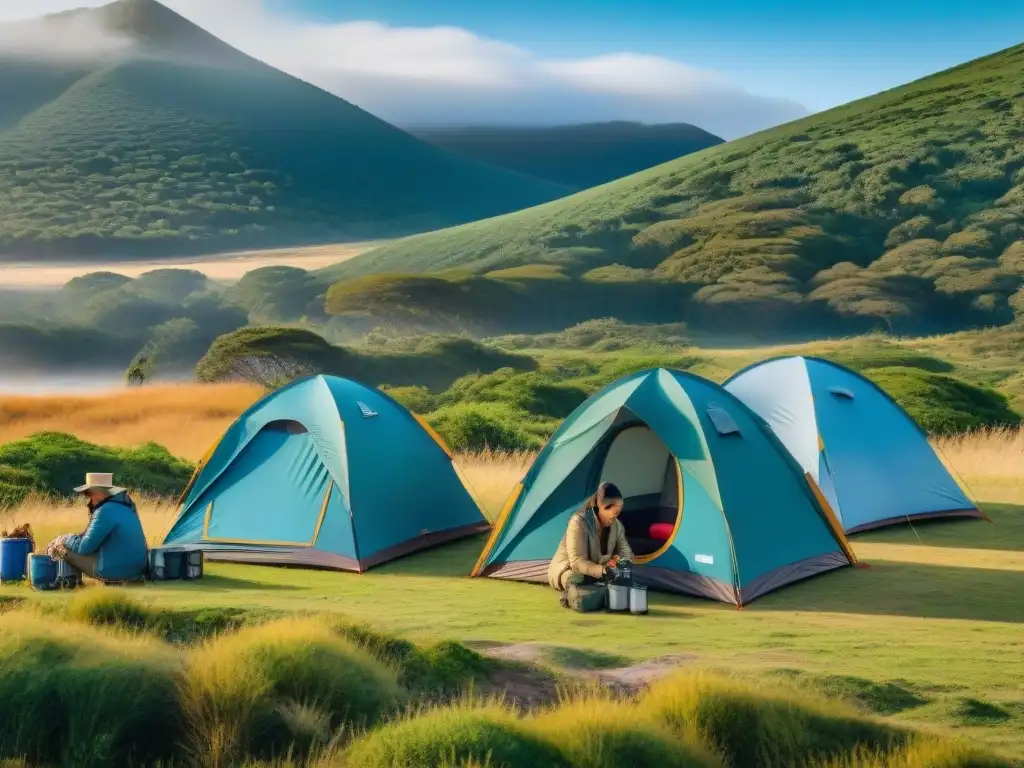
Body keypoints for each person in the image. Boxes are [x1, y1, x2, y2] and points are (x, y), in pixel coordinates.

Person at [51, 472, 149, 582]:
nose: (88, 499)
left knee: (61, 549)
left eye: (88, 494)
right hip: (136, 569)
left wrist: (64, 539)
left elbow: (84, 547)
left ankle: (70, 582)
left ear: (96, 493)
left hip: (115, 571)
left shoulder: (105, 511)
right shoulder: (127, 506)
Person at [548, 481, 635, 593]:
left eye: (618, 512)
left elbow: (625, 551)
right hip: (569, 568)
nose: (616, 516)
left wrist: (623, 562)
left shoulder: (616, 525)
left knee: (624, 577)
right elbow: (577, 561)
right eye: (614, 512)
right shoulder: (578, 522)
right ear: (601, 507)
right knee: (576, 579)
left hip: (596, 571)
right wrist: (604, 570)